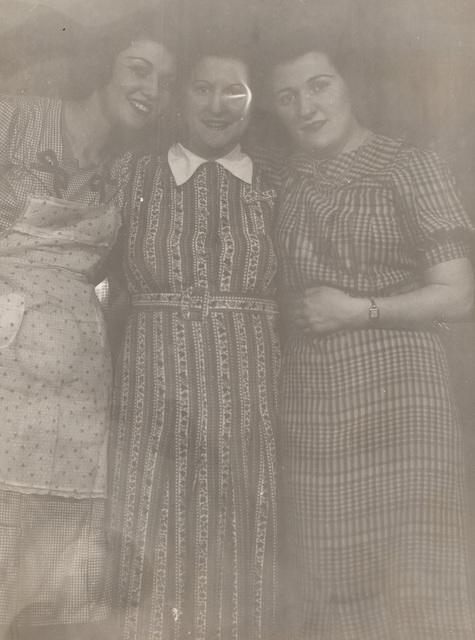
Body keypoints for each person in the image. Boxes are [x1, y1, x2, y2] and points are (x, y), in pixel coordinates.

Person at [268, 31, 475, 640]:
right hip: (311, 403)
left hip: (402, 398)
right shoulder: (283, 181)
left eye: (319, 85)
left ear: (348, 85)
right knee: (327, 578)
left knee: (416, 573)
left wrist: (359, 311)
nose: (306, 107)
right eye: (286, 96)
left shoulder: (407, 165)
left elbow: (460, 293)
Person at [0, 11, 176, 640]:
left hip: (75, 390)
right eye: (139, 69)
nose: (150, 88)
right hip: (5, 360)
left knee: (53, 561)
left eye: (164, 80)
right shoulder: (15, 117)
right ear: (106, 67)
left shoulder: (126, 173)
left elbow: (123, 280)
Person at [108, 41, 280, 640]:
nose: (216, 104)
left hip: (246, 399)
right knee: (144, 543)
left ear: (254, 101)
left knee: (237, 550)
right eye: (201, 88)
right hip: (148, 392)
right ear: (179, 97)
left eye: (233, 89)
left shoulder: (280, 188)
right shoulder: (131, 173)